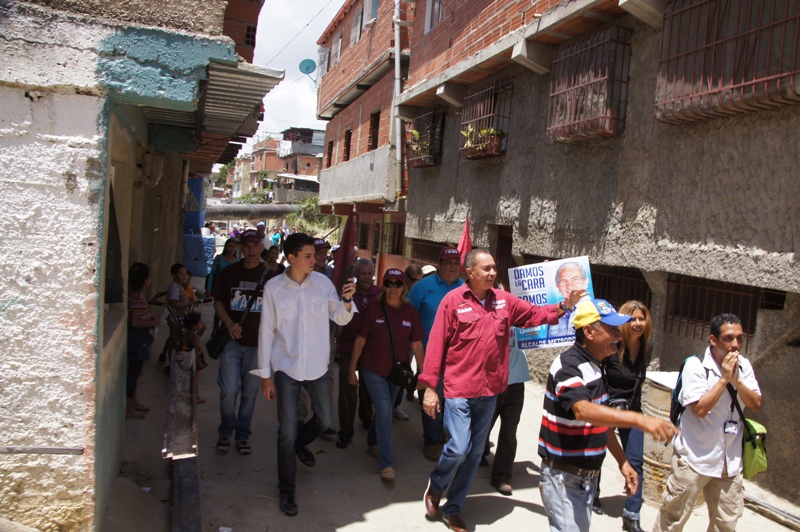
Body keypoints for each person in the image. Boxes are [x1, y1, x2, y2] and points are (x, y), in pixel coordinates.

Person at [421, 249, 584, 532]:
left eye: (494, 268)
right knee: (459, 447)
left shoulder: (504, 302)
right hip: (459, 390)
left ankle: (454, 508)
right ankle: (436, 486)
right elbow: (436, 345)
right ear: (469, 273)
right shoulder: (453, 301)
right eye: (486, 269)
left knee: (474, 454)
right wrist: (429, 388)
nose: (492, 273)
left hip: (490, 392)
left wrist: (563, 306)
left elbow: (535, 314)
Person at [538, 299, 679, 532]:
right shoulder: (568, 366)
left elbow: (599, 424)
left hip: (584, 480)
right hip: (564, 478)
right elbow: (583, 410)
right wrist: (639, 419)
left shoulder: (597, 367)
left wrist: (623, 462)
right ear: (589, 332)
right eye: (611, 329)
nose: (619, 335)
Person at [253, 232, 356, 517]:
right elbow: (266, 333)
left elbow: (341, 317)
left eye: (316, 255)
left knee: (323, 421)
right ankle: (287, 488)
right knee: (285, 432)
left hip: (318, 368)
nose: (316, 260)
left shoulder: (323, 284)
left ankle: (300, 443)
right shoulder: (274, 288)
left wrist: (347, 300)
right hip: (286, 368)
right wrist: (265, 376)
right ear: (292, 258)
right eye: (309, 256)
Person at [653, 314, 761, 532]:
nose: (735, 345)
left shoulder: (745, 366)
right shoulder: (696, 365)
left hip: (729, 461)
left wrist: (736, 380)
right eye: (728, 339)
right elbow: (700, 409)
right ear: (713, 340)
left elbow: (756, 403)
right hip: (695, 458)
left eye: (739, 338)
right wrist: (723, 379)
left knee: (726, 523)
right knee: (674, 518)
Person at [348, 268, 424, 481]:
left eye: (397, 284)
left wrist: (424, 373)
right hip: (372, 369)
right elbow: (360, 340)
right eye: (388, 283)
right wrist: (351, 370)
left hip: (396, 372)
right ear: (384, 287)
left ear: (404, 287)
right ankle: (387, 462)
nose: (393, 288)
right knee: (383, 410)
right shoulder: (374, 309)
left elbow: (417, 345)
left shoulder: (411, 312)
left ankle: (373, 441)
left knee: (385, 409)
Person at [211, 229, 274, 456]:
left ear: (261, 247)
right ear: (240, 247)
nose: (251, 250)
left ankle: (242, 435)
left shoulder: (269, 277)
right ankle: (226, 430)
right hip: (231, 342)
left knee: (249, 393)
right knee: (229, 390)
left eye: (255, 245)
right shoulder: (229, 273)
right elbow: (218, 300)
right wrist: (228, 323)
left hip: (257, 346)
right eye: (246, 246)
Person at [593, 300, 652, 529]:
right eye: (633, 318)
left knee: (635, 460)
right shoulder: (612, 346)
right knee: (597, 454)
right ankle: (593, 494)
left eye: (641, 318)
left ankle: (631, 515)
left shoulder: (648, 348)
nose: (638, 323)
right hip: (607, 409)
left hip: (632, 411)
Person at [407, 247, 464, 462]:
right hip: (429, 356)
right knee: (431, 398)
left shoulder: (466, 289)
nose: (452, 266)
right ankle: (431, 441)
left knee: (453, 401)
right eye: (448, 262)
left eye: (456, 262)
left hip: (458, 359)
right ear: (439, 263)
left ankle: (445, 434)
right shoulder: (422, 288)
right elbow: (408, 317)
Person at [335, 257, 380, 449]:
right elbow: (337, 318)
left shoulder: (379, 293)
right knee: (347, 392)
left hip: (372, 350)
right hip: (348, 349)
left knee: (368, 389)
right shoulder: (347, 292)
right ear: (355, 274)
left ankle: (366, 417)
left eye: (370, 274)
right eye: (363, 273)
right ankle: (345, 432)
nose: (367, 277)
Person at [481, 326, 530, 496]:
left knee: (509, 431)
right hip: (492, 381)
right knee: (483, 426)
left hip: (516, 381)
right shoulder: (487, 310)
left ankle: (501, 476)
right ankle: (478, 454)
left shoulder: (521, 311)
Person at [126, 262, 160, 419]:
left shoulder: (137, 298)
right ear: (146, 280)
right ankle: (128, 407)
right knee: (133, 373)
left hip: (141, 339)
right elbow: (135, 323)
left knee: (137, 372)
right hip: (137, 340)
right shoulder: (136, 300)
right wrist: (152, 323)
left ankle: (134, 400)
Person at [547, 261, 590, 339]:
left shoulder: (594, 311)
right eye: (563, 281)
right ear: (558, 287)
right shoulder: (555, 313)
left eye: (575, 279)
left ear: (586, 282)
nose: (569, 286)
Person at [402, 264, 424, 403]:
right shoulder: (398, 291)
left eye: (419, 281)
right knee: (404, 369)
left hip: (418, 338)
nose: (416, 284)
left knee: (421, 367)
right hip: (404, 339)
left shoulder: (421, 292)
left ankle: (411, 388)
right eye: (414, 280)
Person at [206, 239, 240, 329]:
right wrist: (209, 289)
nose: (232, 249)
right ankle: (215, 328)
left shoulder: (238, 262)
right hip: (219, 288)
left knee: (228, 309)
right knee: (218, 309)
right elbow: (212, 274)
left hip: (230, 290)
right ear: (225, 247)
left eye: (234, 246)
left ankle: (224, 329)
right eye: (230, 246)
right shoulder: (218, 258)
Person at [180, 312, 209, 404]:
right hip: (193, 362)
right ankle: (195, 397)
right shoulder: (195, 337)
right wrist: (198, 363)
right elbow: (195, 350)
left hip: (185, 360)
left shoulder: (185, 335)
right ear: (194, 326)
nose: (202, 323)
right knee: (195, 381)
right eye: (200, 322)